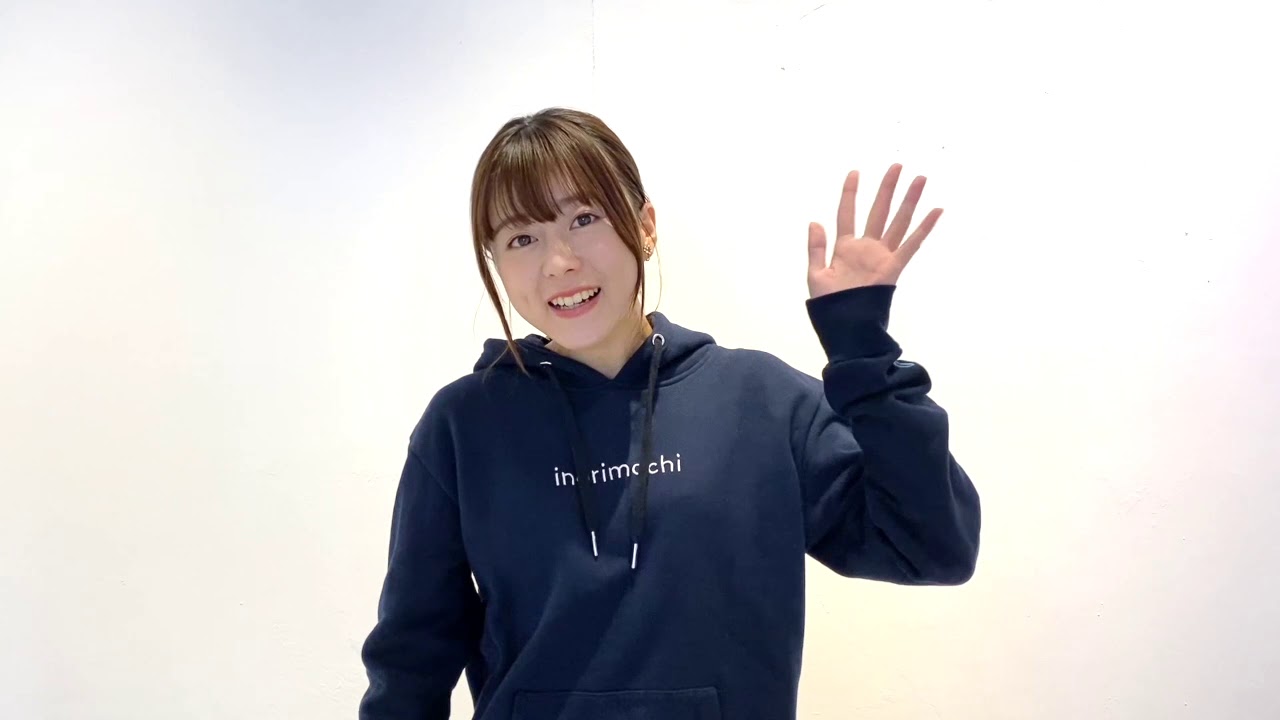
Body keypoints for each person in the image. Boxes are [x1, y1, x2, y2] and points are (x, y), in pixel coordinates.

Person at [357, 107, 981, 720]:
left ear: (645, 225)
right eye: (522, 238)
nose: (558, 261)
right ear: (495, 260)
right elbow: (412, 659)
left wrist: (861, 351)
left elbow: (933, 547)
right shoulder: (464, 426)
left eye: (584, 218)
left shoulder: (760, 402)